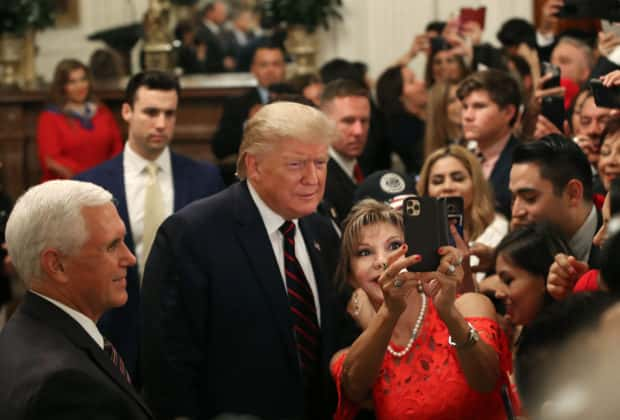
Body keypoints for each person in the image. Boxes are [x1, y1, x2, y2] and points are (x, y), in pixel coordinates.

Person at [141, 102, 351, 419]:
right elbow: (167, 365)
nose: (313, 178)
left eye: (320, 163)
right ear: (254, 166)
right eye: (296, 165)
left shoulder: (323, 230)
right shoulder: (191, 235)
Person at [75, 71, 224, 385]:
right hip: (113, 334)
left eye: (169, 114)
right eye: (151, 112)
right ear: (127, 111)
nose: (161, 123)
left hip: (189, 337)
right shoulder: (89, 184)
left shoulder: (204, 179)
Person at [330, 199, 513, 419]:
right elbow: (354, 388)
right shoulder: (351, 354)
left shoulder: (466, 306)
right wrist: (389, 312)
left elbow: (486, 380)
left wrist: (449, 314)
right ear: (350, 276)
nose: (382, 261)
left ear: (417, 255)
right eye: (364, 252)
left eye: (395, 246)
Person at [0, 180, 151, 419]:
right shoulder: (64, 388)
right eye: (112, 246)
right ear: (57, 265)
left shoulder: (21, 331)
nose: (130, 258)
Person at [417, 145, 509, 280]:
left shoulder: (497, 228)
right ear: (426, 191)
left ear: (475, 184)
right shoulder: (417, 232)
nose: (447, 187)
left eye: (458, 178)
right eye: (438, 181)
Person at [510, 134, 601, 267]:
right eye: (513, 199)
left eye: (530, 198)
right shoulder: (521, 247)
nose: (515, 212)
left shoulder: (612, 247)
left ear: (573, 194)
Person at [37, 59, 123, 181]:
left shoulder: (102, 111)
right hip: (68, 187)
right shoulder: (50, 117)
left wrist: (108, 173)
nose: (80, 86)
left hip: (106, 181)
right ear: (62, 86)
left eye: (83, 80)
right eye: (72, 82)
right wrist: (87, 177)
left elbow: (117, 146)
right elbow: (51, 160)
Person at [211, 43, 286, 184]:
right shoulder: (237, 104)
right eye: (264, 65)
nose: (270, 70)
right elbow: (219, 148)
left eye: (276, 64)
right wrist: (248, 126)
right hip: (250, 178)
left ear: (284, 69)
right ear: (253, 69)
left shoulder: (299, 102)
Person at [457, 69, 522, 218]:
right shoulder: (459, 156)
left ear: (508, 113)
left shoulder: (524, 159)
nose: (468, 116)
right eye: (465, 107)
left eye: (479, 106)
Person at [320, 79, 371, 225]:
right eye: (348, 121)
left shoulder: (364, 164)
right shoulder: (318, 178)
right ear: (324, 122)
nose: (358, 131)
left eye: (364, 121)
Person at [376, 65, 427, 175]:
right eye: (412, 81)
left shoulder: (424, 119)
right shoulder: (403, 129)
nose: (422, 83)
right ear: (398, 94)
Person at [423, 81, 463, 158]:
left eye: (461, 98)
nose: (461, 104)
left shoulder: (476, 140)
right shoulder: (436, 150)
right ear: (438, 109)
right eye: (451, 101)